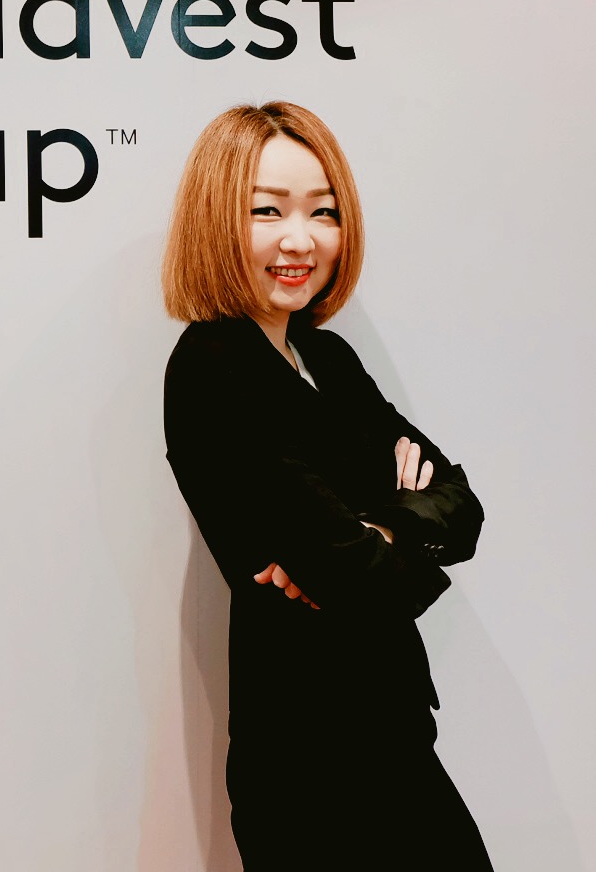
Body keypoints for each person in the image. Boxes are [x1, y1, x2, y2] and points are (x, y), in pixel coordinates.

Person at [161, 101, 492, 870]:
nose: (300, 239)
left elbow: (462, 509)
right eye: (268, 211)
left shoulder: (330, 359)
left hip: (397, 733)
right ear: (217, 219)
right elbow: (352, 570)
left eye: (322, 211)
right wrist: (383, 531)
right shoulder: (212, 367)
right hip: (309, 764)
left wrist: (377, 531)